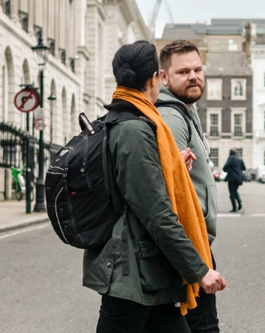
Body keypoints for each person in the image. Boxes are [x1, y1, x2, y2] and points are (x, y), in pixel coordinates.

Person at [84, 41, 226, 333]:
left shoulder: (129, 119)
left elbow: (135, 186)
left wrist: (172, 168)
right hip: (131, 274)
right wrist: (199, 270)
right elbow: (156, 213)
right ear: (155, 79)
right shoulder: (134, 129)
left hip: (149, 272)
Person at [157, 39, 220, 333]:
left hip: (192, 240)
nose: (193, 76)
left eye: (197, 69)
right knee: (204, 326)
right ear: (164, 77)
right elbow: (171, 192)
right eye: (183, 72)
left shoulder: (184, 109)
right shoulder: (172, 115)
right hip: (188, 241)